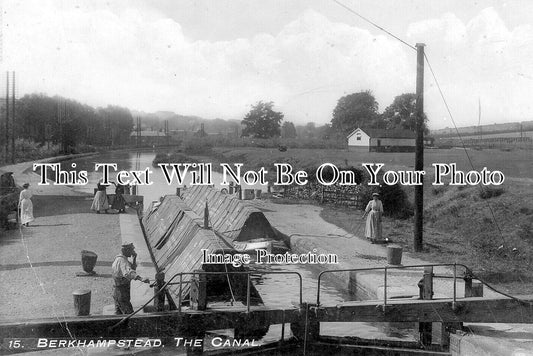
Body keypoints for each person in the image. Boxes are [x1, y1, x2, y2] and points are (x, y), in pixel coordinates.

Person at [111, 242, 150, 314]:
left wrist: (134, 258)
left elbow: (132, 269)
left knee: (118, 314)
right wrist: (141, 279)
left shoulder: (120, 259)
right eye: (131, 250)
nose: (133, 252)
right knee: (129, 315)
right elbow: (129, 273)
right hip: (122, 292)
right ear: (126, 250)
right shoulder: (122, 261)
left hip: (117, 291)